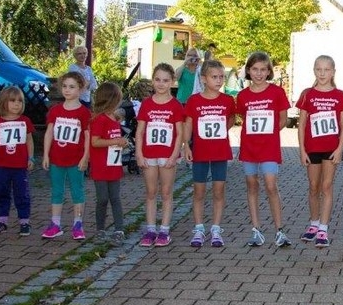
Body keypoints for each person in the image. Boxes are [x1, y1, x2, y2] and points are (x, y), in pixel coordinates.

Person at [237, 52, 291, 248]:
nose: (259, 74)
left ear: (269, 71)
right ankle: (256, 229)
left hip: (269, 148)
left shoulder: (277, 92)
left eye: (263, 69)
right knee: (252, 185)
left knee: (270, 185)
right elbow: (244, 118)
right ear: (248, 71)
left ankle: (279, 230)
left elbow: (283, 119)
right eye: (254, 69)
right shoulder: (242, 96)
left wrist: (269, 134)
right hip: (249, 148)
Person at [297, 55, 343, 248]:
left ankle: (323, 228)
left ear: (333, 72)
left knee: (327, 186)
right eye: (318, 69)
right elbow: (301, 124)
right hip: (312, 149)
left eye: (326, 70)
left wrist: (340, 149)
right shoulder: (307, 94)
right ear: (314, 70)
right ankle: (313, 224)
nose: (322, 73)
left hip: (331, 149)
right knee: (313, 186)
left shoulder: (340, 95)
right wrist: (302, 150)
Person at [183, 60, 236, 248]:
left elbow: (231, 117)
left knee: (219, 190)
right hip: (200, 152)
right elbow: (188, 123)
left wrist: (224, 129)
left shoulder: (227, 100)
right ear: (204, 79)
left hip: (220, 152)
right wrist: (186, 145)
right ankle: (198, 228)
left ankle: (215, 228)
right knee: (199, 191)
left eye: (222, 76)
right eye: (215, 77)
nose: (219, 80)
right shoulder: (194, 100)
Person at [135, 63, 185, 247]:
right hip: (149, 154)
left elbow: (179, 133)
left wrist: (174, 154)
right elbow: (140, 131)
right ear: (153, 81)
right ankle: (150, 229)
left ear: (172, 82)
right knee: (150, 192)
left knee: (166, 192)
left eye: (165, 80)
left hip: (167, 155)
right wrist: (138, 153)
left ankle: (164, 230)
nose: (161, 84)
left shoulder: (175, 105)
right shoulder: (146, 104)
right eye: (157, 80)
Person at [41, 72, 91, 239]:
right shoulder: (55, 110)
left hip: (75, 160)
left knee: (77, 190)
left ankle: (78, 224)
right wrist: (46, 155)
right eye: (64, 86)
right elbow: (49, 133)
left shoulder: (84, 112)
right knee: (57, 190)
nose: (67, 90)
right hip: (57, 158)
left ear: (80, 89)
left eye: (72, 87)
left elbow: (87, 136)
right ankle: (55, 223)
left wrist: (85, 157)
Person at [0, 86, 35, 236]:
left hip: (20, 166)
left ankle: (24, 222)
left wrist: (31, 157)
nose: (16, 104)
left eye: (20, 101)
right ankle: (2, 221)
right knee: (1, 192)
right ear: (3, 103)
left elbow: (29, 140)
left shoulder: (25, 121)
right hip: (2, 166)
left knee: (22, 194)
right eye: (12, 101)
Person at [89, 82, 130, 246]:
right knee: (102, 199)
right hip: (101, 166)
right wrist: (116, 141)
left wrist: (121, 142)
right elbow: (95, 142)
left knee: (115, 198)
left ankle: (119, 229)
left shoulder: (114, 118)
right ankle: (100, 229)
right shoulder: (99, 120)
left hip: (114, 164)